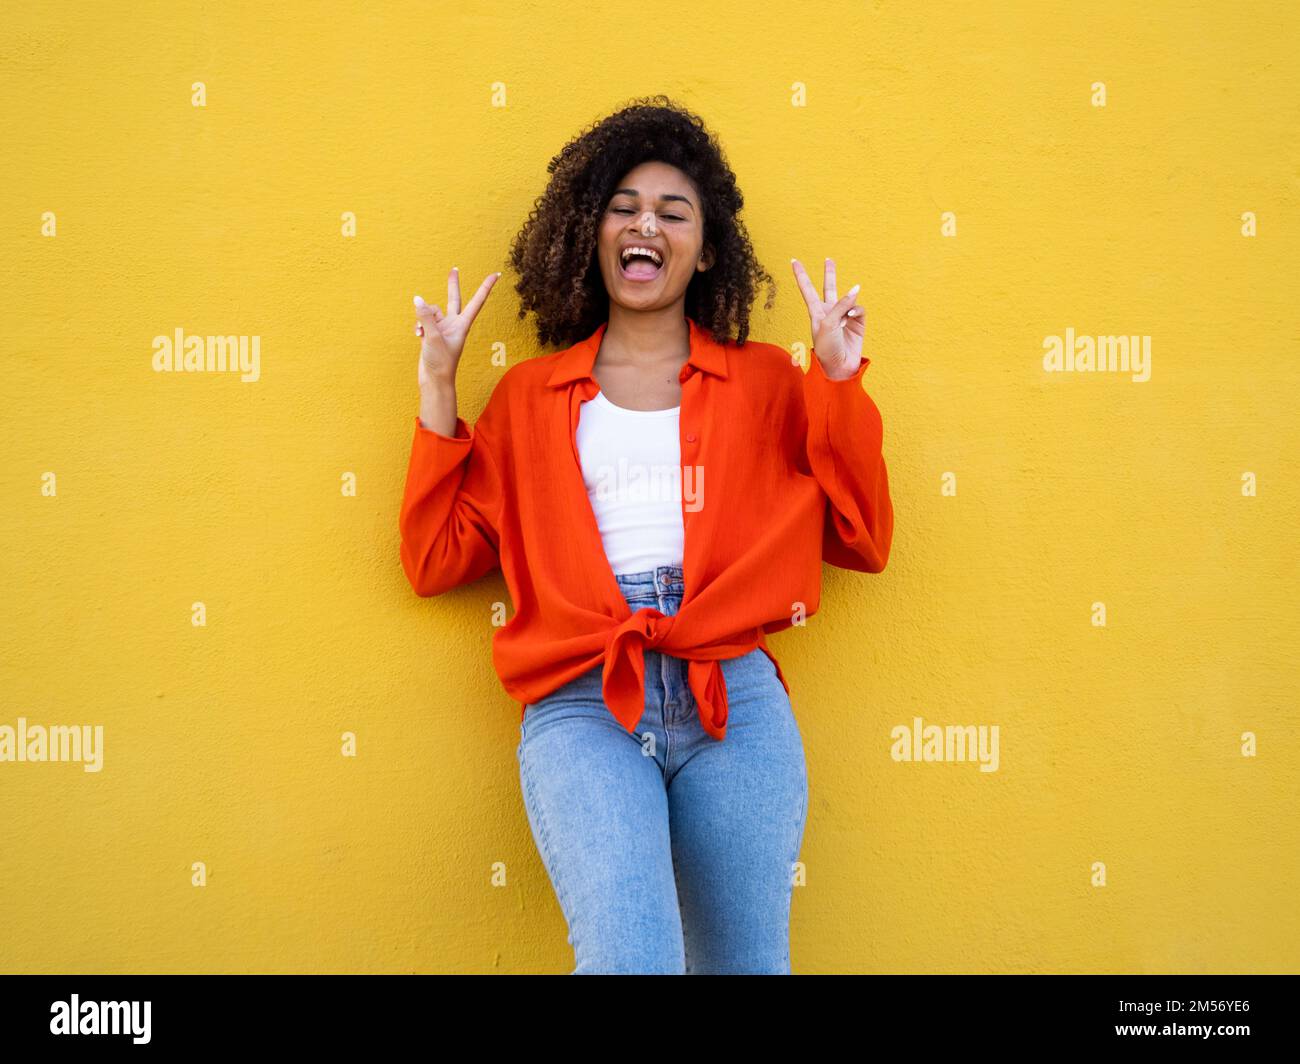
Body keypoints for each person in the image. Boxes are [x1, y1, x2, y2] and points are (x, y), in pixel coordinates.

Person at [399, 95, 894, 973]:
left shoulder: (766, 384)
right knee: (634, 959)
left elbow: (862, 535)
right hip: (585, 694)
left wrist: (836, 379)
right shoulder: (530, 399)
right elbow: (437, 559)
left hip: (729, 697)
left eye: (674, 212)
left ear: (705, 252)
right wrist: (440, 389)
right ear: (592, 234)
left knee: (747, 964)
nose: (646, 226)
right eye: (624, 208)